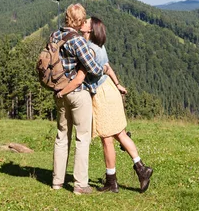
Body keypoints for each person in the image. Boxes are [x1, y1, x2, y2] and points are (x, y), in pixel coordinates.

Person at [56, 16, 153, 193]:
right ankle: (139, 169)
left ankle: (114, 181)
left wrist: (62, 92)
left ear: (90, 30)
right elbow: (107, 67)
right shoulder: (99, 46)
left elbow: (81, 77)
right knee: (119, 134)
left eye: (86, 22)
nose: (82, 23)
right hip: (109, 89)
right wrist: (117, 84)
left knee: (107, 138)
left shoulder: (89, 49)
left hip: (101, 94)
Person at [50, 4, 107, 195]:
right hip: (78, 92)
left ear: (67, 18)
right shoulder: (78, 41)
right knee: (82, 137)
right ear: (81, 21)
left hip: (60, 92)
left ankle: (57, 181)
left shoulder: (54, 36)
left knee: (61, 136)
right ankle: (80, 184)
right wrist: (103, 68)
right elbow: (94, 68)